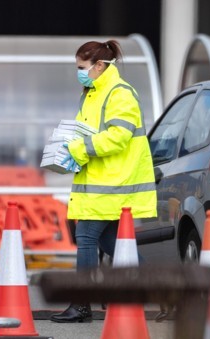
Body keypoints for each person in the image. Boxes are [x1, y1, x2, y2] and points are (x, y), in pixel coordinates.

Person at [50, 40, 157, 323]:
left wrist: (78, 148)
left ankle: (81, 304)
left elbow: (118, 137)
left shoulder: (119, 93)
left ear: (99, 65)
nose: (79, 73)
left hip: (113, 183)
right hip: (101, 182)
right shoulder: (94, 92)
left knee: (86, 238)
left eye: (82, 68)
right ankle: (168, 290)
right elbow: (87, 132)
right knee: (113, 244)